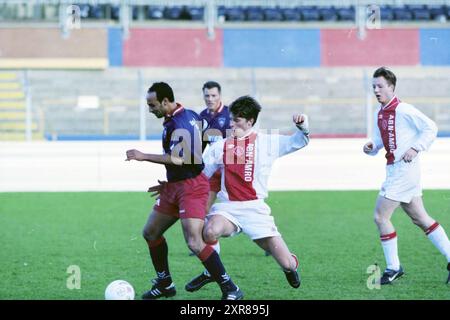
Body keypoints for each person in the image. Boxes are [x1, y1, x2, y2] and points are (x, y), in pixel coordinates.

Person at [126, 82, 243, 300]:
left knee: (194, 242)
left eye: (152, 105)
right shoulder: (187, 115)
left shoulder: (180, 122)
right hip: (176, 185)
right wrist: (170, 182)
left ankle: (231, 288)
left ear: (165, 102)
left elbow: (180, 158)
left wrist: (143, 155)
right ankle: (165, 284)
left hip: (191, 187)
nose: (150, 109)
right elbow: (192, 152)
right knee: (150, 232)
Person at [184, 95, 310, 294]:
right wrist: (173, 186)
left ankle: (291, 265)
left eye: (236, 120)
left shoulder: (267, 142)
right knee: (209, 232)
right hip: (228, 208)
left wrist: (302, 125)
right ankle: (212, 271)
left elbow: (299, 141)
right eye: (231, 119)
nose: (231, 123)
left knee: (287, 264)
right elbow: (200, 175)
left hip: (255, 210)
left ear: (250, 121)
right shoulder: (221, 146)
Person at [363, 67, 450, 285]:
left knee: (380, 217)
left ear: (391, 87)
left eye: (380, 86)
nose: (376, 90)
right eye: (374, 86)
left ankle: (393, 267)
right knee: (420, 218)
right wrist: (372, 146)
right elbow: (381, 139)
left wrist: (416, 147)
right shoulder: (379, 112)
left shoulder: (404, 110)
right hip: (396, 170)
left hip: (404, 171)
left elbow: (431, 127)